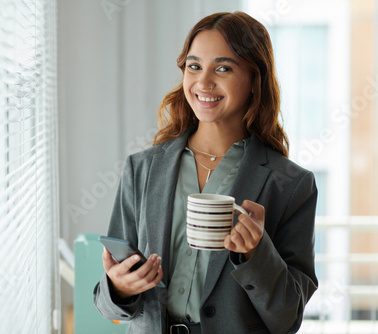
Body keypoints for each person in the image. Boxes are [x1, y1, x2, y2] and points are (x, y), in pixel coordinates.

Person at [94, 11, 318, 334]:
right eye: (194, 66)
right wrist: (120, 287)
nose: (203, 82)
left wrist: (257, 254)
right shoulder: (141, 170)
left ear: (255, 80)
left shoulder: (292, 185)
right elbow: (106, 302)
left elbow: (288, 317)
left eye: (223, 68)